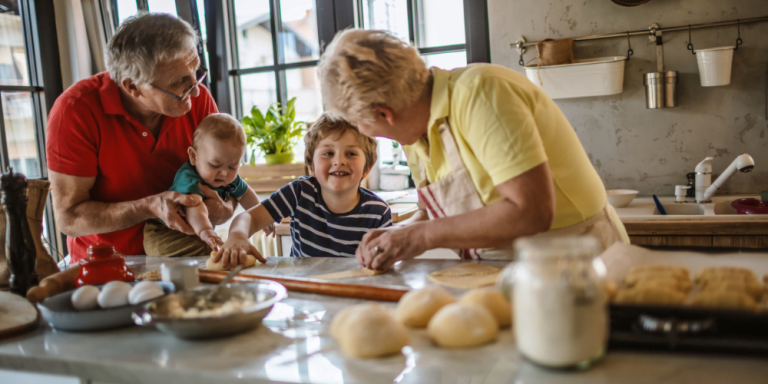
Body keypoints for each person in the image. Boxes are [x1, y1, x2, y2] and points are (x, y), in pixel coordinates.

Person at [316, 29, 630, 270]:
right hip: (504, 272)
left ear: (385, 114)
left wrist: (417, 237)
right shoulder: (416, 134)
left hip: (577, 263)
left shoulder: (482, 93)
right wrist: (396, 233)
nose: (363, 132)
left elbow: (530, 211)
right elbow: (440, 213)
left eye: (358, 123)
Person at [46, 13, 235, 262]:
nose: (197, 89)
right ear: (132, 87)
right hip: (108, 265)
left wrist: (226, 208)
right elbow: (69, 218)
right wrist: (148, 206)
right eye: (180, 82)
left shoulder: (197, 100)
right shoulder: (75, 111)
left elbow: (228, 183)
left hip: (183, 257)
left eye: (195, 72)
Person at [215, 114, 392, 268]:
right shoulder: (299, 192)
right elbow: (249, 218)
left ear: (367, 167)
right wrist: (237, 236)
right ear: (311, 167)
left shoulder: (378, 212)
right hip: (303, 290)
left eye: (351, 154)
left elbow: (383, 263)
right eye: (328, 153)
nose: (339, 161)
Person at [143, 113, 274, 257]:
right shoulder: (189, 178)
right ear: (194, 156)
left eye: (233, 166)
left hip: (194, 231)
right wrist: (206, 231)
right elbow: (194, 207)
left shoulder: (230, 178)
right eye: (214, 165)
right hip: (163, 234)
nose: (224, 173)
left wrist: (265, 216)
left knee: (212, 253)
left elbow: (245, 194)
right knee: (209, 253)